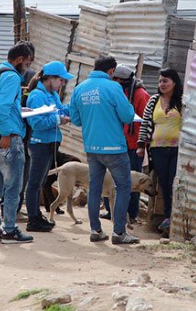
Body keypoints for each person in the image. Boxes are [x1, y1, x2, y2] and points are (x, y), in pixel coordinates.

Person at [69, 55, 139, 245]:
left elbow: (75, 119)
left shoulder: (79, 89)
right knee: (124, 187)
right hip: (114, 148)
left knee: (95, 188)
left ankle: (96, 230)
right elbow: (127, 116)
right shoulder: (114, 87)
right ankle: (118, 232)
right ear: (111, 71)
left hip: (92, 147)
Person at [0, 43, 34, 244]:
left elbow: (5, 107)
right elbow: (1, 107)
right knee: (13, 187)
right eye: (28, 62)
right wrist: (6, 133)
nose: (29, 68)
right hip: (8, 140)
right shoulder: (12, 76)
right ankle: (9, 231)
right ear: (20, 59)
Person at [23, 61, 74, 232]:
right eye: (60, 80)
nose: (62, 83)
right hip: (39, 144)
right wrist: (59, 120)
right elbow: (36, 123)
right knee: (35, 183)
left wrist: (72, 108)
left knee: (40, 181)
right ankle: (33, 219)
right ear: (50, 78)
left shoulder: (51, 95)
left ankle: (37, 216)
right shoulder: (37, 96)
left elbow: (61, 111)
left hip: (50, 143)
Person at [136, 69, 183, 235]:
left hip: (178, 149)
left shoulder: (182, 101)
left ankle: (173, 219)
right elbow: (145, 122)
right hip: (157, 149)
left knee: (173, 183)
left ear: (174, 83)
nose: (162, 84)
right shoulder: (154, 100)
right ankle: (168, 218)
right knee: (164, 184)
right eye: (160, 81)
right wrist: (141, 145)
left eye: (165, 81)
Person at [110, 64, 150, 224]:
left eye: (120, 81)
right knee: (112, 178)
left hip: (133, 145)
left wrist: (142, 144)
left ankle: (131, 214)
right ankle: (112, 212)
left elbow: (146, 121)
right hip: (116, 142)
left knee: (133, 181)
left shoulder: (141, 95)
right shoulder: (117, 92)